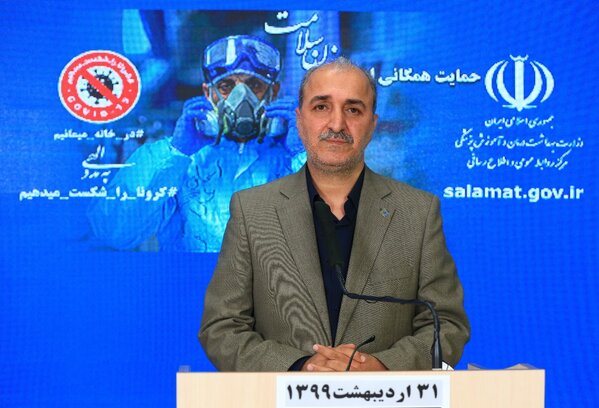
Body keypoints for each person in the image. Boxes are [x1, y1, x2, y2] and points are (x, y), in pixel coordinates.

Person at [198, 57, 470, 371]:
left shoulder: (418, 211)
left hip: (385, 400)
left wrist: (381, 367)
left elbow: (447, 325)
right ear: (299, 120)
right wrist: (300, 367)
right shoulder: (251, 210)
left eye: (353, 110)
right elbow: (222, 328)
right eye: (321, 107)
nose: (337, 125)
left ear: (372, 124)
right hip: (280, 400)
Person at [88, 35, 304, 252]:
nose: (241, 97)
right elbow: (114, 232)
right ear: (208, 93)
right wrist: (176, 152)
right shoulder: (173, 160)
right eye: (226, 86)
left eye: (254, 85)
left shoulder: (296, 160)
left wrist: (304, 154)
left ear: (274, 93)